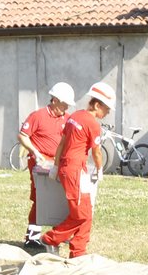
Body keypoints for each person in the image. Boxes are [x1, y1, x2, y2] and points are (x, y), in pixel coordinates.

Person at [41, 81, 112, 258]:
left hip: (72, 170)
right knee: (81, 214)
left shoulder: (75, 116)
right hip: (75, 172)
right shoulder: (93, 125)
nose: (108, 112)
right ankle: (50, 239)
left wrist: (56, 166)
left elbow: (62, 144)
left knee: (86, 213)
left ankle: (78, 252)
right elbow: (96, 152)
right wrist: (100, 169)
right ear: (97, 105)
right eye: (107, 108)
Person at [18, 82, 74, 247]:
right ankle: (32, 237)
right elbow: (22, 136)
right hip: (40, 163)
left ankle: (58, 234)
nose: (65, 108)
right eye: (64, 103)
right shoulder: (38, 116)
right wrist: (36, 152)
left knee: (60, 197)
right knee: (40, 198)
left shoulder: (67, 118)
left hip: (58, 163)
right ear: (55, 100)